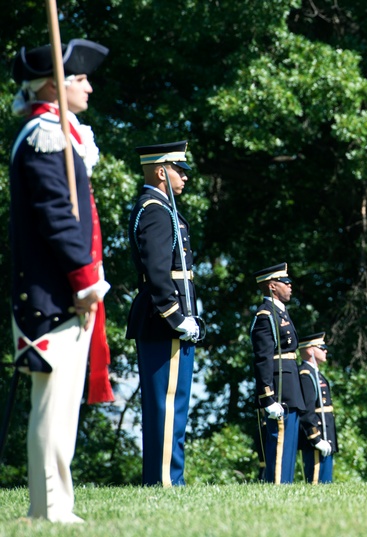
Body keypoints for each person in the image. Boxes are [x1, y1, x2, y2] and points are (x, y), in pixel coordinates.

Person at [8, 38, 112, 523]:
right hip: (54, 293)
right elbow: (58, 218)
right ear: (53, 84)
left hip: (65, 290)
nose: (88, 86)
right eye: (79, 78)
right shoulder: (44, 135)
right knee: (52, 408)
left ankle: (56, 507)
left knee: (63, 408)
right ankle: (48, 509)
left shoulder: (58, 132)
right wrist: (86, 281)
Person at [125, 141, 199, 487]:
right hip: (162, 322)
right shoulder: (154, 209)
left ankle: (165, 478)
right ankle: (166, 482)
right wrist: (176, 316)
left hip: (168, 321)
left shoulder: (161, 207)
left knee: (172, 406)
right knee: (167, 406)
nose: (184, 177)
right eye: (178, 170)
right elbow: (157, 272)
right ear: (160, 172)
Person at [250, 263, 307, 484]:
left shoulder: (280, 312)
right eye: (285, 282)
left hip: (290, 384)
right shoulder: (265, 315)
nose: (290, 285)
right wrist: (268, 397)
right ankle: (277, 487)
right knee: (280, 442)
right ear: (273, 286)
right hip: (279, 386)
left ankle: (286, 486)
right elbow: (263, 358)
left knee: (289, 445)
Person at [297, 332, 336, 484]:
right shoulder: (306, 375)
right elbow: (307, 412)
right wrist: (316, 439)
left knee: (325, 482)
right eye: (322, 347)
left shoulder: (315, 374)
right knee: (316, 482)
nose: (326, 350)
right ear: (310, 350)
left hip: (326, 435)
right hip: (317, 436)